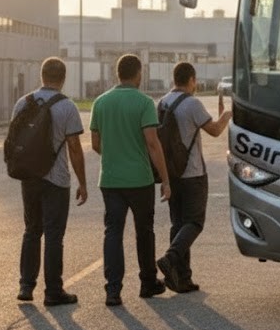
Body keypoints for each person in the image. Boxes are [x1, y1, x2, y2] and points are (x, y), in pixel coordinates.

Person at [90, 54, 170, 307]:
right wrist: (166, 179)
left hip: (111, 179)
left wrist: (114, 155)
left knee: (113, 232)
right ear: (138, 74)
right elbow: (153, 143)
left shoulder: (100, 102)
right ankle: (148, 283)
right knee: (144, 231)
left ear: (117, 74)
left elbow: (95, 144)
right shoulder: (144, 102)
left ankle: (113, 290)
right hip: (139, 179)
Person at [12, 57, 88, 307]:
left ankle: (26, 285)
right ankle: (53, 291)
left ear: (41, 76)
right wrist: (83, 183)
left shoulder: (23, 103)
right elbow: (75, 148)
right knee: (54, 235)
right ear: (63, 78)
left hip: (30, 176)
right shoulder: (66, 106)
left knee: (32, 230)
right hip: (56, 180)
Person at [156, 62, 232, 293]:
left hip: (171, 173)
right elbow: (215, 130)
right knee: (195, 222)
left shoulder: (162, 102)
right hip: (193, 173)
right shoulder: (192, 103)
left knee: (178, 224)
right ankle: (170, 258)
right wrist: (227, 115)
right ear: (191, 80)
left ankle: (182, 278)